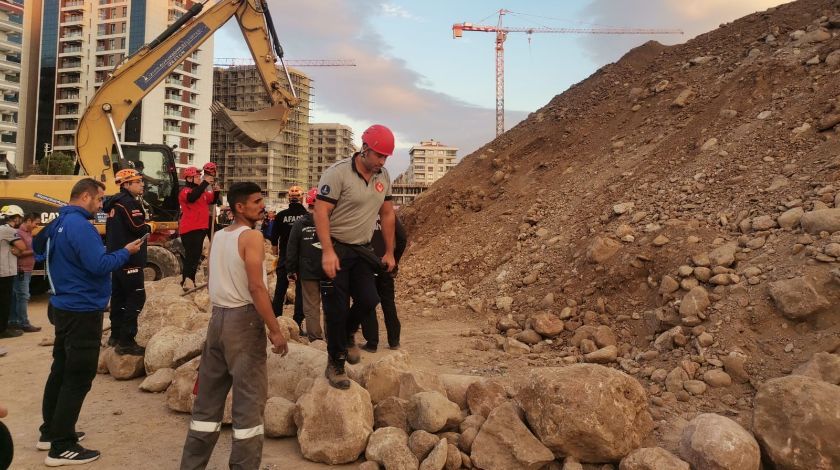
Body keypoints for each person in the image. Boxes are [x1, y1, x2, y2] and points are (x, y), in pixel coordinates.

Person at [33, 178, 143, 466]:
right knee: (78, 376)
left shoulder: (58, 223)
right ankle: (62, 446)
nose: (101, 205)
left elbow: (36, 245)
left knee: (60, 369)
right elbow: (99, 265)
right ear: (85, 197)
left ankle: (50, 431)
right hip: (81, 309)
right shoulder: (80, 226)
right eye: (98, 200)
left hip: (64, 306)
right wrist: (125, 252)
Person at [179, 182, 289, 470]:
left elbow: (215, 275)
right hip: (243, 322)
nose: (262, 206)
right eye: (256, 202)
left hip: (217, 321)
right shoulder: (251, 237)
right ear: (240, 207)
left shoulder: (220, 237)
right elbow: (256, 286)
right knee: (249, 408)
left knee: (206, 406)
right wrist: (275, 330)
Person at [314, 124, 397, 389]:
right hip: (336, 247)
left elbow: (387, 214)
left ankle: (348, 334)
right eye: (379, 156)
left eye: (386, 157)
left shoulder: (382, 176)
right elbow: (321, 212)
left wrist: (390, 251)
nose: (382, 162)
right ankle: (336, 362)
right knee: (336, 309)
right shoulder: (338, 173)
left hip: (362, 249)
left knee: (369, 299)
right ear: (365, 149)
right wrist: (327, 251)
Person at [104, 169, 150, 355]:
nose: (142, 184)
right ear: (126, 184)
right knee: (136, 296)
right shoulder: (128, 203)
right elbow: (138, 227)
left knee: (119, 297)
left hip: (116, 258)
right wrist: (149, 226)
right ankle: (127, 341)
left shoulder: (114, 203)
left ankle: (115, 336)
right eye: (137, 181)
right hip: (130, 257)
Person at [359, 214, 408, 351]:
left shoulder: (363, 212)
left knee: (367, 303)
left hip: (366, 264)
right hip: (386, 264)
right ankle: (394, 341)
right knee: (388, 303)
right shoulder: (388, 214)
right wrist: (394, 259)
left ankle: (372, 343)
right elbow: (402, 238)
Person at [286, 188, 323, 341]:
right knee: (330, 306)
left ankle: (315, 338)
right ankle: (333, 336)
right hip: (328, 269)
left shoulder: (300, 223)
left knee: (311, 306)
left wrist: (291, 269)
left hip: (307, 271)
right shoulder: (331, 221)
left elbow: (292, 247)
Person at [178, 165, 220, 291]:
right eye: (196, 176)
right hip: (190, 228)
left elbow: (212, 200)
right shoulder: (185, 191)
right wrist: (205, 182)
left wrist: (216, 191)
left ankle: (190, 281)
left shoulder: (201, 193)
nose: (199, 178)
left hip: (200, 227)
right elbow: (191, 197)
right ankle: (187, 281)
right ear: (189, 178)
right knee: (191, 256)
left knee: (195, 256)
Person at [269, 186, 306, 325]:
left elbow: (274, 240)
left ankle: (275, 320)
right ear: (302, 199)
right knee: (301, 292)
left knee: (280, 290)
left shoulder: (281, 215)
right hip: (302, 259)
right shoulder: (307, 216)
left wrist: (277, 255)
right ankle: (297, 322)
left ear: (288, 199)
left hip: (285, 257)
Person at [9, 212, 41, 333]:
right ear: (28, 220)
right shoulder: (19, 233)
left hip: (26, 270)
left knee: (17, 297)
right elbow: (17, 252)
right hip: (21, 270)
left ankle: (13, 322)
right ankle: (24, 323)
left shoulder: (28, 233)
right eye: (35, 223)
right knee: (23, 296)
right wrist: (34, 251)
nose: (36, 226)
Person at [0, 205, 24, 339]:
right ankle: (2, 330)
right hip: (5, 271)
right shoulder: (8, 231)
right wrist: (19, 251)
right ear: (15, 217)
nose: (21, 220)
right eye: (20, 217)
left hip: (3, 270)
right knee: (4, 302)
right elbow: (22, 246)